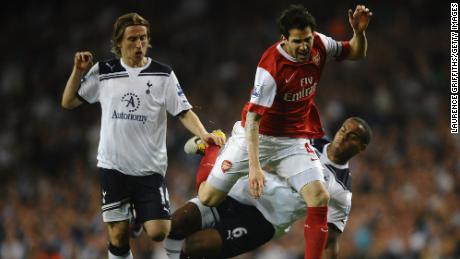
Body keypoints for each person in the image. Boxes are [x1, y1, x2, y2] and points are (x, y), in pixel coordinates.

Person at [197, 4, 372, 259]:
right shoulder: (270, 68)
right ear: (284, 39)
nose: (304, 47)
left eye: (307, 40)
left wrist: (359, 32)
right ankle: (211, 148)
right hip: (259, 135)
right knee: (208, 197)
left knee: (319, 195)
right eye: (298, 41)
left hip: (293, 140)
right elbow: (254, 121)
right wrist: (255, 167)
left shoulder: (320, 45)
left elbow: (356, 52)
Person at [60, 13, 225, 259]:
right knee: (118, 235)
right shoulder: (104, 71)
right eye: (133, 39)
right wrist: (77, 71)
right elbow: (68, 101)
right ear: (118, 43)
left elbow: (183, 111)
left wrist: (204, 134)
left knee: (159, 232)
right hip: (112, 166)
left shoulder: (163, 74)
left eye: (143, 38)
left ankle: (139, 218)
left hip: (149, 169)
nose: (139, 44)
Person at [164, 117, 372, 259]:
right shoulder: (304, 138)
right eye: (344, 130)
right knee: (176, 222)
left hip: (263, 220)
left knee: (195, 247)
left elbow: (330, 242)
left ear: (361, 148)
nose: (343, 136)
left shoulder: (341, 190)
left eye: (352, 137)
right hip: (237, 192)